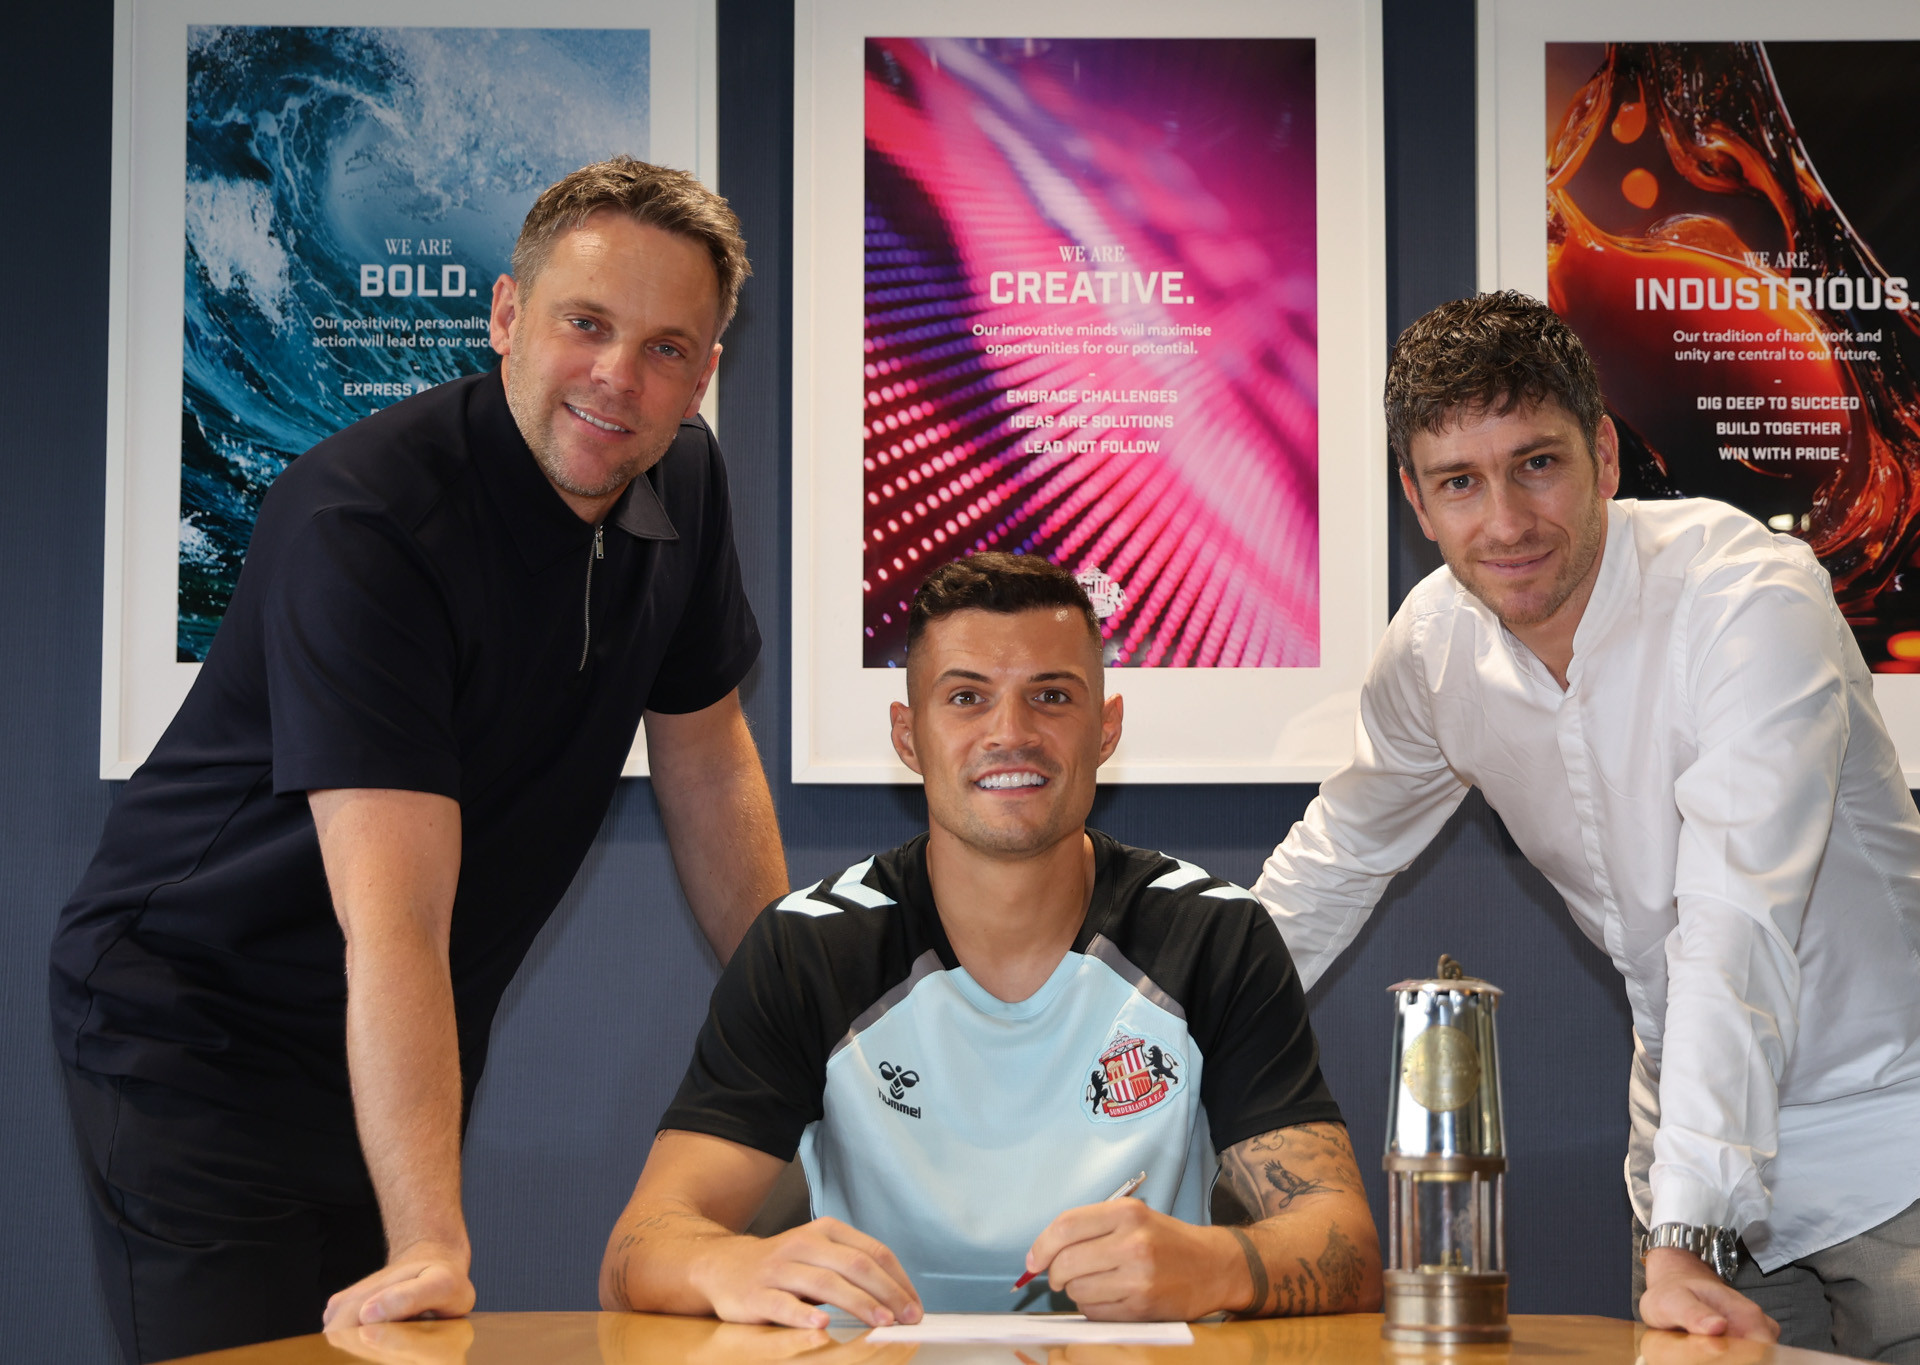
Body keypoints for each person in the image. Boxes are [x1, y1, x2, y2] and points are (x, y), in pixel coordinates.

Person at [49, 156, 788, 1364]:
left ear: (705, 371)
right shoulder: (368, 522)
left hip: (389, 1031)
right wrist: (432, 1245)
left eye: (665, 348)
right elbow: (394, 920)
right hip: (195, 1022)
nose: (618, 377)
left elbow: (707, 766)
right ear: (506, 316)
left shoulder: (682, 480)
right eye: (585, 324)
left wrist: (804, 1036)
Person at [1254, 291, 1920, 1362]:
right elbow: (1334, 861)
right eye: (1459, 482)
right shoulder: (1433, 649)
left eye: (1536, 463)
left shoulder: (1746, 596)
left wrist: (1686, 1233)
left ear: (1603, 453)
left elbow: (1732, 918)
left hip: (1913, 1139)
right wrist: (1147, 1064)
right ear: (1417, 499)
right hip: (1689, 1168)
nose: (1505, 522)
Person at [600, 553, 1379, 1325]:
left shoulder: (1214, 933)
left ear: (1107, 728)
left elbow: (1345, 1240)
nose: (1011, 732)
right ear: (908, 736)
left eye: (1051, 695)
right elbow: (642, 1243)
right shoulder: (806, 946)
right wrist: (733, 1261)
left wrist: (1216, 1265)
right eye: (967, 697)